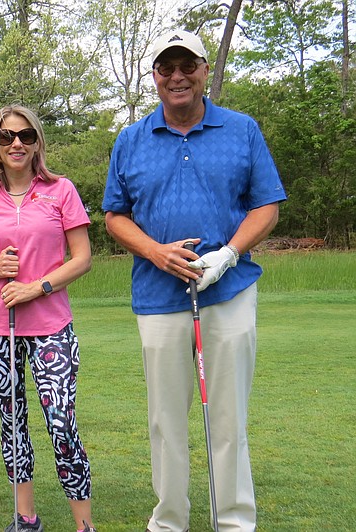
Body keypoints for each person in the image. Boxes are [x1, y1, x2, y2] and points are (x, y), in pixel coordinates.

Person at [102, 30, 287, 532]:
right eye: (167, 67)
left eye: (188, 65)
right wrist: (155, 252)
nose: (177, 76)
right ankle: (170, 522)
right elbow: (115, 216)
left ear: (205, 69)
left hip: (228, 291)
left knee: (228, 419)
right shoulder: (131, 138)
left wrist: (228, 254)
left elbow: (266, 204)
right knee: (165, 422)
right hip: (158, 297)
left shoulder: (242, 129)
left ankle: (234, 522)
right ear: (155, 76)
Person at [0, 104, 97, 532]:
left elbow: (83, 258)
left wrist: (38, 287)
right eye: (5, 136)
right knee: (13, 421)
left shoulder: (61, 191)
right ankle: (25, 518)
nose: (16, 143)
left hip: (50, 324)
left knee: (61, 422)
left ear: (37, 142)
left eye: (25, 135)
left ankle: (84, 524)